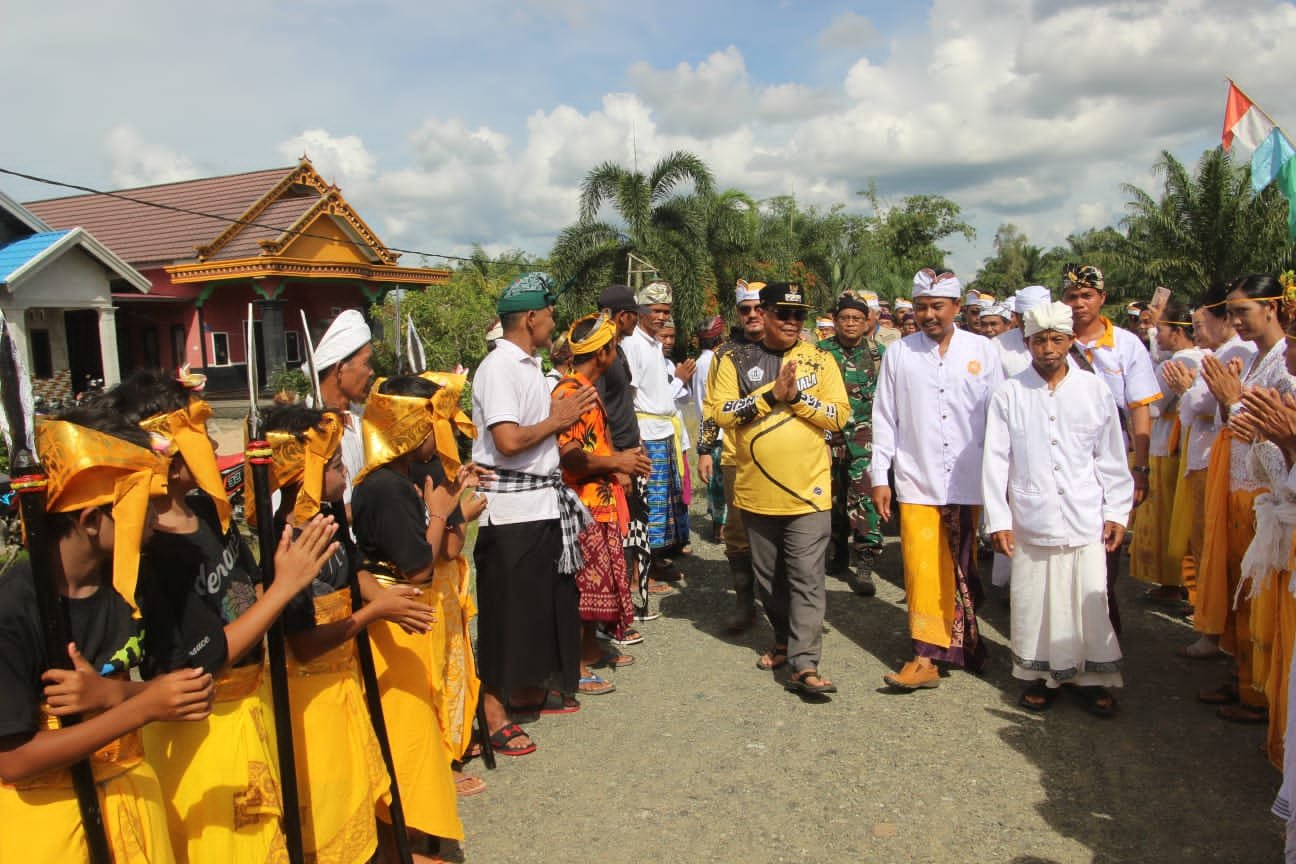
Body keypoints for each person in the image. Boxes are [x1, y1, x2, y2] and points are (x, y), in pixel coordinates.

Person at [113, 369, 341, 864]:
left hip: (248, 707)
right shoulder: (151, 553)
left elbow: (243, 583)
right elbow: (204, 658)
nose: (216, 449)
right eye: (203, 439)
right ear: (171, 461)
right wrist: (283, 590)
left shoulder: (205, 508)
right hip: (203, 731)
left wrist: (282, 578)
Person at [0, 406, 215, 864]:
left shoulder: (131, 581)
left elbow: (185, 693)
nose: (157, 519)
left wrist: (117, 695)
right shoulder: (14, 608)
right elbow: (13, 760)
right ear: (91, 519)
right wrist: (140, 706)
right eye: (143, 507)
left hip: (136, 810)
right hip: (53, 832)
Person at [261, 404, 409, 863]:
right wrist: (375, 612)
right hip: (311, 702)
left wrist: (382, 597)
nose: (345, 472)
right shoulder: (288, 540)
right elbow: (304, 644)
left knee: (360, 798)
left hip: (342, 683)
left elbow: (354, 568)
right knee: (328, 814)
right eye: (334, 465)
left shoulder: (327, 517)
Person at [352, 374, 483, 856]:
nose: (439, 433)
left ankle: (413, 834)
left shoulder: (397, 479)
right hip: (395, 617)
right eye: (432, 423)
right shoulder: (386, 487)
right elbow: (419, 564)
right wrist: (442, 512)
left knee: (416, 729)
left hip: (407, 612)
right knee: (404, 734)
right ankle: (401, 841)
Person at [982, 301, 1133, 716]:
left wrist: (1117, 511)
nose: (1047, 348)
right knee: (1035, 600)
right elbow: (995, 460)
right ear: (1026, 342)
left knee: (1088, 598)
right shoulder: (1009, 393)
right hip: (1032, 520)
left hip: (1085, 517)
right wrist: (998, 519)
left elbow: (1111, 457)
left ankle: (1090, 678)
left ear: (1069, 341)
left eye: (1056, 339)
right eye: (1038, 340)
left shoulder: (1094, 390)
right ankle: (1041, 677)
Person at [472, 272, 597, 756]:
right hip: (510, 512)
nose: (554, 323)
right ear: (530, 318)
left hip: (541, 503)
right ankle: (493, 709)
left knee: (541, 608)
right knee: (507, 616)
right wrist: (559, 421)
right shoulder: (499, 367)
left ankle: (527, 690)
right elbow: (506, 442)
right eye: (549, 314)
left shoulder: (529, 366)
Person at [711, 282, 849, 695]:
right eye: (783, 314)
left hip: (809, 491)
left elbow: (839, 415)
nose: (792, 322)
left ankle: (806, 664)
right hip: (756, 492)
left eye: (799, 315)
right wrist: (772, 394)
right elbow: (722, 413)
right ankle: (784, 639)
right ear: (764, 313)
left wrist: (799, 400)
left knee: (807, 577)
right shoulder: (734, 359)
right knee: (770, 581)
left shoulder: (820, 360)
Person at [872, 268, 1004, 690]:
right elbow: (884, 418)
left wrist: (1004, 478)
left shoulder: (983, 351)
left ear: (957, 308)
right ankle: (924, 655)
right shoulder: (900, 353)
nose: (929, 314)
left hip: (969, 479)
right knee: (922, 569)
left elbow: (1000, 418)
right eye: (922, 307)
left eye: (938, 307)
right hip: (918, 479)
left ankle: (961, 642)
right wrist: (880, 476)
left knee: (965, 567)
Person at [1195, 274, 1295, 726]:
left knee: (1259, 597)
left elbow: (1279, 438)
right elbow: (1235, 424)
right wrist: (1225, 400)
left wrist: (1235, 404)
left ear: (1272, 307)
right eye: (1230, 313)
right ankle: (1242, 677)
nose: (1235, 321)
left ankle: (1260, 694)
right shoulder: (1254, 359)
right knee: (1239, 590)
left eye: (1242, 312)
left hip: (1267, 491)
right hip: (1240, 485)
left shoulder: (1285, 364)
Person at [554, 313, 651, 697]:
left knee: (599, 584)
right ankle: (575, 666)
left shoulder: (586, 390)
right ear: (604, 352)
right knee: (582, 587)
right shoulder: (569, 394)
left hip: (600, 502)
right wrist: (617, 463)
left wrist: (622, 464)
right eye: (614, 346)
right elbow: (571, 458)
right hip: (582, 507)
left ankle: (591, 649)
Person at [1060, 264, 1160, 636]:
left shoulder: (1127, 345)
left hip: (1112, 464)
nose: (1079, 303)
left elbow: (1139, 409)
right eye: (1072, 296)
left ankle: (1101, 641)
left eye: (1087, 295)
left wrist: (1142, 468)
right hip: (1065, 464)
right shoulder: (1055, 341)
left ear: (1103, 297)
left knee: (1105, 554)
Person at [1176, 285, 1256, 659]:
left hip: (1227, 461)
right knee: (1204, 544)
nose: (1196, 334)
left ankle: (1218, 631)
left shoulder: (1239, 352)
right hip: (1212, 457)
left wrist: (1189, 390)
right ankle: (1213, 625)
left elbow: (1203, 405)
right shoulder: (1220, 354)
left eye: (1201, 324)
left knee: (1217, 548)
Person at [697, 280, 766, 631]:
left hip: (782, 460)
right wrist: (705, 449)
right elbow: (711, 407)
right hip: (737, 457)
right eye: (745, 310)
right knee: (738, 534)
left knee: (779, 535)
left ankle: (780, 608)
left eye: (758, 308)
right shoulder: (725, 354)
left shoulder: (791, 347)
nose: (753, 315)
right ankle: (744, 604)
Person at [596, 283, 659, 631]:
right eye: (635, 315)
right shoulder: (602, 353)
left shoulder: (616, 350)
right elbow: (600, 411)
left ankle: (625, 608)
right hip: (615, 458)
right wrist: (616, 461)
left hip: (630, 450)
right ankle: (612, 622)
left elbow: (623, 406)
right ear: (623, 316)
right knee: (616, 538)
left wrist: (636, 443)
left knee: (634, 531)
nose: (637, 321)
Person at [1131, 301, 1202, 602]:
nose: (1156, 335)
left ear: (1177, 332)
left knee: (1165, 518)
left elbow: (1154, 405)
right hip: (1185, 443)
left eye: (1160, 329)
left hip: (1164, 443)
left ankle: (1172, 583)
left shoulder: (1175, 363)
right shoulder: (1204, 355)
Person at [621, 281, 692, 579]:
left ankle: (654, 562)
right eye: (657, 310)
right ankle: (639, 571)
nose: (662, 316)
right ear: (641, 310)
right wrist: (631, 441)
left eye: (666, 311)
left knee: (663, 504)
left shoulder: (653, 344)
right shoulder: (633, 344)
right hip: (646, 433)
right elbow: (628, 395)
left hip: (664, 431)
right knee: (646, 504)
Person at [819, 289, 885, 595]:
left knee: (863, 499)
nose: (850, 323)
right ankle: (836, 553)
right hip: (828, 439)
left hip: (865, 440)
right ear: (834, 321)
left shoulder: (878, 355)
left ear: (867, 321)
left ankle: (865, 562)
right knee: (830, 498)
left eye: (856, 318)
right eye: (844, 317)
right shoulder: (819, 353)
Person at [311, 309, 375, 511]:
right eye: (366, 363)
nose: (372, 371)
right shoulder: (306, 430)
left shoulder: (364, 418)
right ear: (339, 369)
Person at [694, 315, 726, 541]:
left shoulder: (697, 363)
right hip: (720, 431)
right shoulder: (716, 362)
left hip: (707, 430)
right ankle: (721, 528)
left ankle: (719, 525)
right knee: (721, 483)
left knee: (715, 482)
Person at [994, 286, 1051, 379]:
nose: (1032, 322)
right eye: (1025, 317)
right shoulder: (997, 346)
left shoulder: (1064, 341)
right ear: (1016, 316)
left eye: (1037, 316)